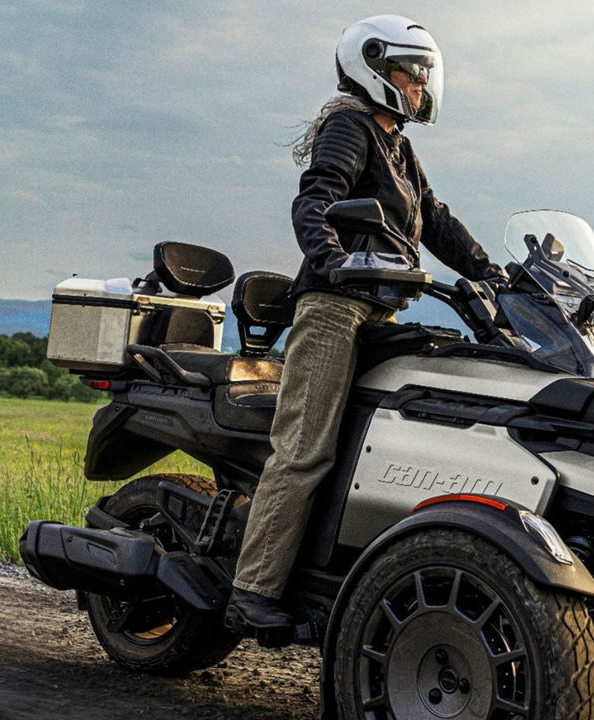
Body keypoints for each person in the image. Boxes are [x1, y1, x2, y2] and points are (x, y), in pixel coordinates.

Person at [226, 15, 507, 631]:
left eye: (425, 73)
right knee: (305, 449)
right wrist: (334, 259)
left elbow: (433, 218)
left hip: (381, 309)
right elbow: (315, 199)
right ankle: (252, 591)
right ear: (375, 69)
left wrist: (495, 274)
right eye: (413, 72)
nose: (421, 85)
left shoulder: (398, 145)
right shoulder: (349, 126)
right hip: (334, 308)